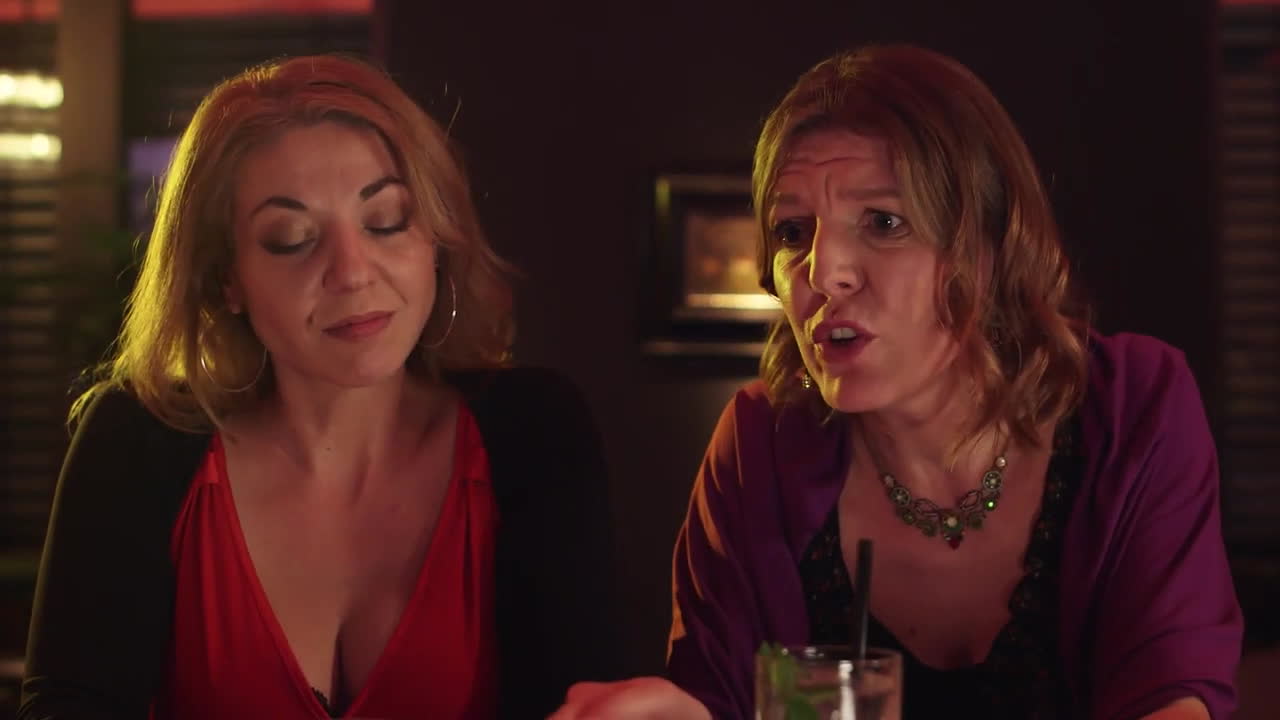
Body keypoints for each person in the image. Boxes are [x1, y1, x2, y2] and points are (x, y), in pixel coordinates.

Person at [551, 45, 1242, 720]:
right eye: (791, 232)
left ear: (987, 246)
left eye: (883, 222)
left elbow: (1171, 693)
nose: (824, 272)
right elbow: (718, 692)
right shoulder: (760, 446)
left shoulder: (1132, 406)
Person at [20, 54, 616, 720]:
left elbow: (586, 700)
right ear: (226, 279)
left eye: (385, 221)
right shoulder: (139, 442)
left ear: (436, 238)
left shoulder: (533, 434)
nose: (352, 272)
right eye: (292, 238)